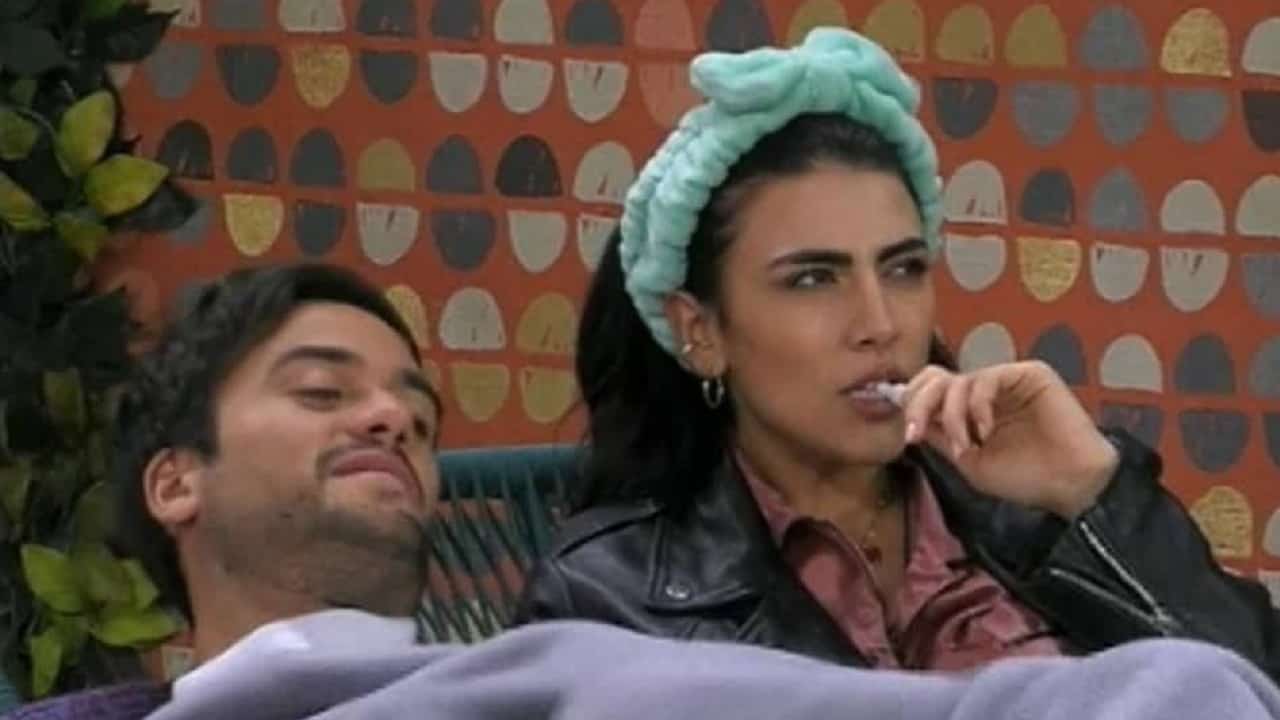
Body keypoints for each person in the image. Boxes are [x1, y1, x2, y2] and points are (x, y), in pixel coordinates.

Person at [6, 262, 1280, 720]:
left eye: (415, 409)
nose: (390, 415)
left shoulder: (553, 672)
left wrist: (1089, 496)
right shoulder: (605, 609)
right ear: (173, 481)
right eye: (321, 390)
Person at [514, 26, 1280, 681]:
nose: (879, 324)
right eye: (813, 279)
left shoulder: (1026, 510)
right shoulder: (606, 599)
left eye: (904, 268)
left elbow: (1248, 689)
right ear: (701, 332)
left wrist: (1092, 495)